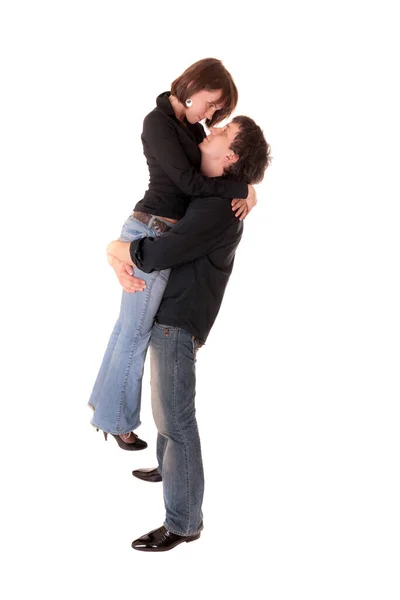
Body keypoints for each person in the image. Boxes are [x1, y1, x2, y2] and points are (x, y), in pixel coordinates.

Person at [107, 115, 271, 551]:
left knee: (176, 420)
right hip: (175, 316)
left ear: (230, 156)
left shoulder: (217, 208)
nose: (211, 131)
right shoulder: (218, 195)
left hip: (179, 321)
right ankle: (170, 468)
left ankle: (183, 522)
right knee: (168, 410)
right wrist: (248, 189)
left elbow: (164, 252)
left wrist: (115, 248)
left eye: (223, 131)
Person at [88, 58, 257, 450]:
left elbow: (219, 165)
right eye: (212, 104)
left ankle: (103, 403)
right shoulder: (157, 122)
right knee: (134, 333)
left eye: (218, 111)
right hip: (150, 227)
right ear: (194, 84)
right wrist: (238, 190)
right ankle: (116, 420)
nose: (211, 115)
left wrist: (247, 185)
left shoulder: (190, 127)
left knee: (126, 328)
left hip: (158, 231)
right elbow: (189, 182)